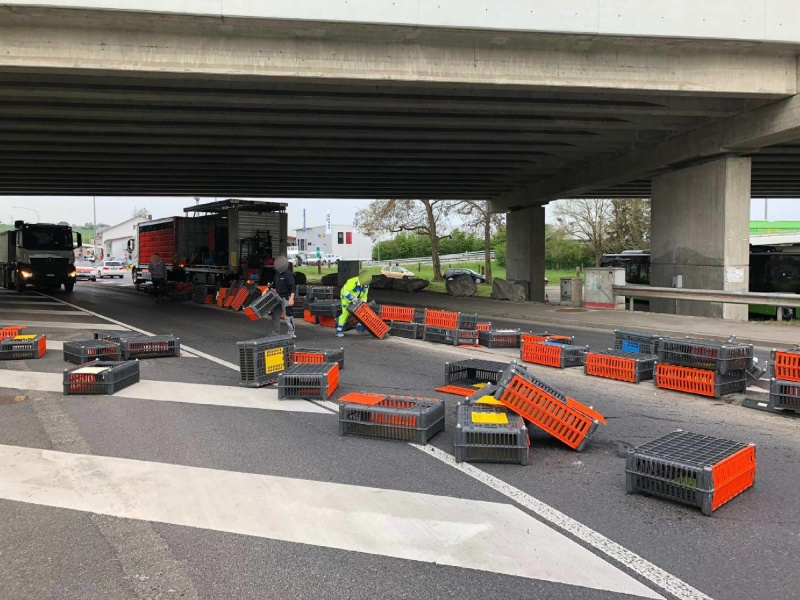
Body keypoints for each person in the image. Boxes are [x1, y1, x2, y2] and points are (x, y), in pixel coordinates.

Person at [336, 270, 372, 337]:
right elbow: (345, 291)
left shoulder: (366, 285)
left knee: (362, 311)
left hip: (355, 299)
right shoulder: (352, 281)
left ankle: (360, 328)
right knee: (345, 313)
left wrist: (363, 303)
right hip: (345, 298)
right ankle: (339, 330)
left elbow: (364, 295)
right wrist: (352, 298)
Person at [268, 256, 295, 338]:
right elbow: (274, 284)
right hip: (278, 298)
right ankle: (276, 332)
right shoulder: (277, 274)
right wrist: (267, 289)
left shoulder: (288, 274)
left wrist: (291, 298)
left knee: (288, 317)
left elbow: (293, 286)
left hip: (286, 298)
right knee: (275, 316)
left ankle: (291, 334)